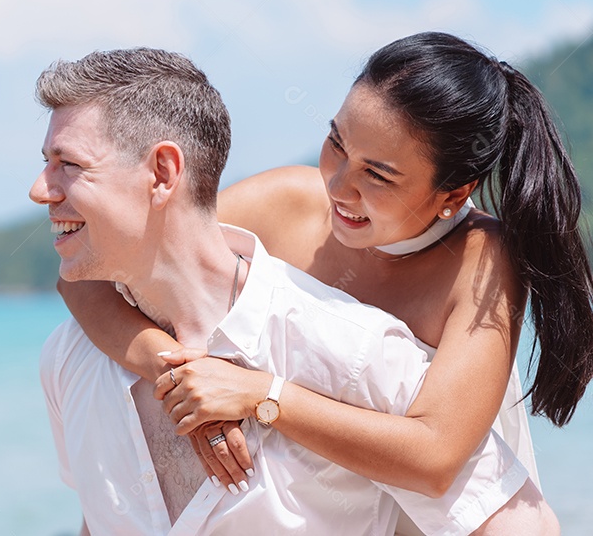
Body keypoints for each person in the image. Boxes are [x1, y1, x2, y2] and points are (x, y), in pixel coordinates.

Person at [59, 32, 592, 533]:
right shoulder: (289, 201)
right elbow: (90, 273)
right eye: (336, 143)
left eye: (378, 175)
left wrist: (260, 396)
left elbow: (435, 458)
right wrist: (174, 373)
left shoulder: (483, 260)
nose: (338, 186)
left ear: (454, 194)